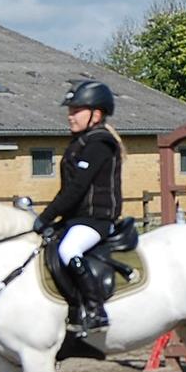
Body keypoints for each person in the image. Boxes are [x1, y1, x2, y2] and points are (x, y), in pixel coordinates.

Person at [33, 80, 124, 335]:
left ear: (96, 114)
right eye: (70, 111)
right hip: (78, 219)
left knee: (68, 249)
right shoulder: (80, 142)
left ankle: (95, 311)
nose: (70, 116)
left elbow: (76, 189)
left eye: (76, 110)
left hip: (96, 219)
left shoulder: (99, 143)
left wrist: (46, 216)